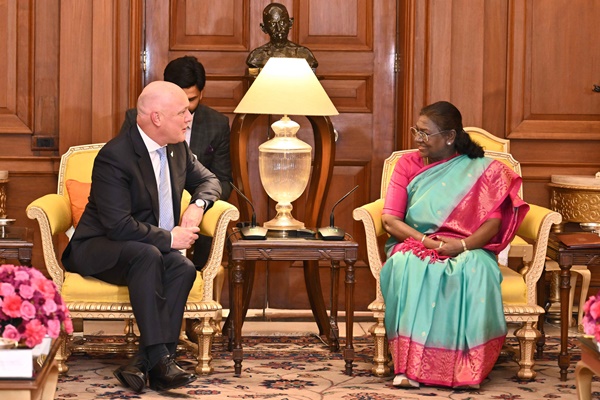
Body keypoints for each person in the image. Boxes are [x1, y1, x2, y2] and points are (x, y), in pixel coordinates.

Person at [62, 81, 222, 393]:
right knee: (150, 255)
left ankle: (151, 362)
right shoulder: (116, 157)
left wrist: (198, 206)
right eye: (182, 112)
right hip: (98, 247)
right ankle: (161, 360)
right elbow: (118, 226)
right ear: (157, 118)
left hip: (144, 248)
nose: (190, 117)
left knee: (184, 267)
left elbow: (210, 180)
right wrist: (171, 239)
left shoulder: (177, 149)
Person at [380, 101, 529, 389]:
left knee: (475, 269)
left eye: (425, 133)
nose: (417, 139)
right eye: (416, 131)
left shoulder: (481, 169)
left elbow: (492, 224)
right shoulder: (407, 164)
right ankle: (407, 368)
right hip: (415, 241)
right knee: (408, 265)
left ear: (449, 136)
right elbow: (390, 221)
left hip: (469, 246)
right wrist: (426, 242)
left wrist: (460, 247)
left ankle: (465, 368)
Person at [119, 55, 232, 269]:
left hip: (195, 213)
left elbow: (221, 180)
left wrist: (196, 204)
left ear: (202, 93)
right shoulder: (139, 120)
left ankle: (196, 285)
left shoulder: (216, 124)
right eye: (179, 104)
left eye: (191, 100)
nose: (187, 111)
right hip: (146, 214)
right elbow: (125, 173)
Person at [246, 3, 318, 70]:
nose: (279, 28)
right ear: (264, 28)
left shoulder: (304, 54)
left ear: (290, 23)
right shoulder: (256, 56)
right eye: (272, 24)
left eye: (282, 22)